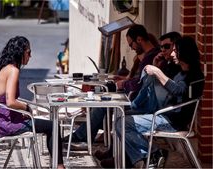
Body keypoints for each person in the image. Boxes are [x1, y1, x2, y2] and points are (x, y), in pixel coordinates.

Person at [113, 36, 205, 168]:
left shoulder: (195, 76)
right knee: (121, 118)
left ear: (184, 52)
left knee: (123, 123)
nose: (172, 54)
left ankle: (153, 153)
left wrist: (156, 71)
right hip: (161, 112)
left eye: (175, 51)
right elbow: (164, 83)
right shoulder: (179, 70)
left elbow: (179, 90)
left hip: (172, 121)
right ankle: (145, 157)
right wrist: (157, 67)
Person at [63, 24, 160, 144]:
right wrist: (125, 80)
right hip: (140, 99)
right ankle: (89, 136)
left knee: (103, 103)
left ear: (139, 39)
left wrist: (123, 84)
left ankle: (85, 136)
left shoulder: (150, 58)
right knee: (104, 100)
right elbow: (142, 81)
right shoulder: (151, 55)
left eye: (131, 44)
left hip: (141, 102)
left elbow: (141, 84)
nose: (131, 48)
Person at [0, 36, 64, 169]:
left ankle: (58, 165)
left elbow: (7, 102)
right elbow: (10, 102)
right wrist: (27, 108)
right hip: (7, 125)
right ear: (20, 52)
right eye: (28, 52)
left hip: (0, 122)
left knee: (48, 125)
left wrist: (23, 112)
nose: (30, 56)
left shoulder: (5, 68)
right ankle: (60, 166)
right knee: (53, 126)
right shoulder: (13, 70)